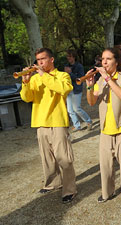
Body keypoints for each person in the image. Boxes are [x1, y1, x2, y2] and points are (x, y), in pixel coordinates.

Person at [85, 47, 121, 213]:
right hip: (105, 129)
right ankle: (107, 192)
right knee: (106, 164)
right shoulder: (100, 81)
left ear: (117, 61)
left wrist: (108, 79)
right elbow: (92, 102)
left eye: (108, 59)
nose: (104, 62)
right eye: (103, 59)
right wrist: (89, 86)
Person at [20, 48, 77, 203]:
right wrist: (25, 81)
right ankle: (53, 183)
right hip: (40, 122)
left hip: (57, 121)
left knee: (64, 158)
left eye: (43, 59)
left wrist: (43, 75)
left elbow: (64, 89)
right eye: (38, 60)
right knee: (47, 158)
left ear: (52, 59)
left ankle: (69, 189)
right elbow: (26, 98)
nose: (40, 63)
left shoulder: (62, 75)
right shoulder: (34, 79)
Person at [64, 50, 92, 132]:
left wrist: (70, 73)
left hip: (76, 89)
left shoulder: (79, 66)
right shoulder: (66, 66)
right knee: (70, 110)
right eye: (67, 56)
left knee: (77, 109)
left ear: (74, 57)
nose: (68, 58)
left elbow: (80, 79)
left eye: (70, 56)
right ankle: (77, 125)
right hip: (69, 90)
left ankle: (89, 121)